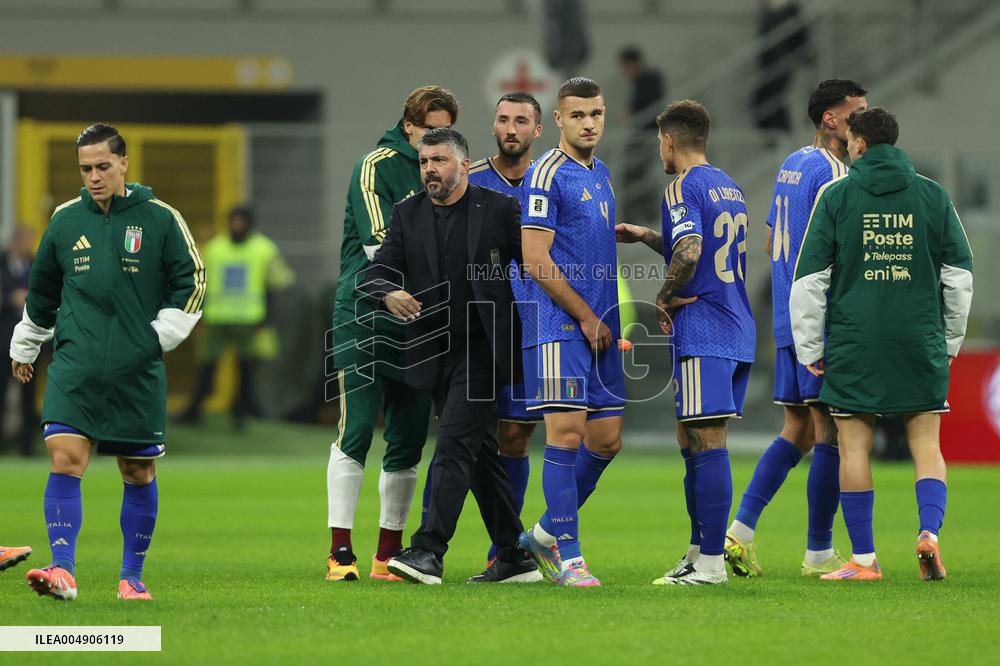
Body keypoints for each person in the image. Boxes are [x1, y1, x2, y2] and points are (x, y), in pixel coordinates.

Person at [11, 123, 204, 601]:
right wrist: (26, 344)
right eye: (85, 168)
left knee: (137, 471)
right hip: (76, 364)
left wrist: (156, 338)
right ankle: (63, 571)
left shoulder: (161, 218)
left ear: (124, 164)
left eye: (102, 166)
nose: (94, 176)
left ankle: (131, 578)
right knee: (65, 459)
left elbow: (193, 282)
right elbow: (42, 290)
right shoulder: (64, 220)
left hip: (136, 369)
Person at [791, 108, 973, 581]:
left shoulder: (838, 195)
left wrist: (810, 347)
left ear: (860, 144)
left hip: (856, 339)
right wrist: (950, 338)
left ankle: (865, 560)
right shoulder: (933, 195)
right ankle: (929, 534)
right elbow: (959, 276)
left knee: (853, 447)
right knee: (926, 444)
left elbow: (809, 280)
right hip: (919, 337)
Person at [361, 128, 535, 585]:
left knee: (455, 443)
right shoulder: (408, 213)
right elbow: (374, 272)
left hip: (484, 350)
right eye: (424, 162)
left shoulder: (498, 209)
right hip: (435, 351)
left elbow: (537, 266)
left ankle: (428, 550)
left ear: (463, 163)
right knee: (479, 455)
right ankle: (516, 556)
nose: (430, 170)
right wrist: (389, 292)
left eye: (438, 160)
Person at [724, 79, 867, 578]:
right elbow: (838, 252)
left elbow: (769, 241)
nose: (863, 122)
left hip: (786, 316)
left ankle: (739, 532)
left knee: (798, 430)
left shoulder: (791, 164)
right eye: (857, 113)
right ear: (831, 118)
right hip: (819, 321)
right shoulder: (834, 173)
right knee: (828, 433)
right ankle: (818, 552)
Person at [618, 100, 756, 586]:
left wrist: (661, 296)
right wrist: (648, 236)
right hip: (737, 323)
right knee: (690, 438)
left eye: (660, 142)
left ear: (669, 141)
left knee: (707, 439)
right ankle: (698, 553)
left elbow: (692, 250)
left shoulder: (680, 184)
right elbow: (697, 243)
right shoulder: (728, 184)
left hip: (705, 326)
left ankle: (713, 566)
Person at [326, 87, 459, 583]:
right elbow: (380, 244)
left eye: (443, 134)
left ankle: (387, 554)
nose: (432, 144)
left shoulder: (450, 172)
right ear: (408, 127)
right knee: (356, 428)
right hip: (365, 311)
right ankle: (340, 552)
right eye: (427, 130)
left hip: (420, 315)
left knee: (406, 438)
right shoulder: (376, 166)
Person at [515, 77, 625, 588]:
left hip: (600, 325)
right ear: (558, 119)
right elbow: (535, 260)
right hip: (560, 324)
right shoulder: (545, 173)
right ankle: (569, 556)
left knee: (606, 440)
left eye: (597, 114)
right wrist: (583, 315)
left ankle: (541, 533)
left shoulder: (601, 172)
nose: (589, 123)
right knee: (566, 435)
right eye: (578, 115)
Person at [426, 92, 543, 566]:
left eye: (520, 121)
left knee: (515, 437)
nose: (510, 128)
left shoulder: (552, 179)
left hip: (539, 322)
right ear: (493, 127)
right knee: (471, 436)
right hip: (478, 332)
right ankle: (487, 550)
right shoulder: (466, 181)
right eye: (502, 120)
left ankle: (505, 552)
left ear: (538, 129)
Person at [178, 205, 294, 430]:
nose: (235, 225)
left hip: (250, 321)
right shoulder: (215, 248)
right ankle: (195, 411)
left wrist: (267, 319)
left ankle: (240, 413)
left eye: (239, 221)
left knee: (247, 370)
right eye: (232, 220)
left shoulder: (264, 249)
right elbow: (202, 284)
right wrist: (198, 316)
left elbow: (274, 286)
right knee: (208, 368)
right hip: (217, 319)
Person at [0, 225, 40, 456]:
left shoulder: (35, 264)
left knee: (28, 396)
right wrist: (10, 298)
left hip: (30, 345)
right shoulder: (3, 264)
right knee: (2, 393)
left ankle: (27, 446)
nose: (27, 245)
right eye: (25, 240)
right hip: (3, 341)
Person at [619, 46, 666, 224]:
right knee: (635, 175)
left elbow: (649, 107)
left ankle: (644, 216)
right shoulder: (642, 80)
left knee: (638, 175)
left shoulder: (650, 79)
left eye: (625, 67)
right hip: (643, 134)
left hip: (646, 135)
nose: (624, 72)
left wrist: (632, 116)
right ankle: (640, 216)